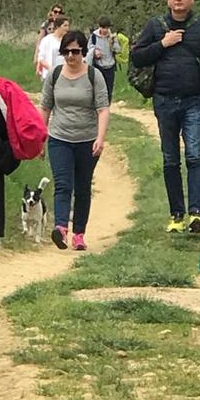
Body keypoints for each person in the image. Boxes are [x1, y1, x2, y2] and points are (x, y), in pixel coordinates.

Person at [132, 0, 200, 234]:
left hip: (193, 100)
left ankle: (196, 214)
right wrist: (162, 44)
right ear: (167, 0)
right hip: (164, 100)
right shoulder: (156, 26)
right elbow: (137, 56)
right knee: (170, 159)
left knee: (195, 155)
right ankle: (176, 215)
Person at [39, 30, 110, 252]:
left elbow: (103, 109)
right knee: (62, 185)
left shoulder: (93, 76)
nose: (71, 56)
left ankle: (79, 234)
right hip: (59, 138)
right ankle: (61, 228)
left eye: (76, 51)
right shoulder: (55, 75)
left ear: (83, 52)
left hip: (87, 140)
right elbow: (45, 107)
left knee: (82, 187)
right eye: (67, 51)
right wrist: (41, 137)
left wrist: (100, 138)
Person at [87, 16, 122, 103]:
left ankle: (106, 108)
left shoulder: (112, 37)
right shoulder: (94, 36)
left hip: (110, 66)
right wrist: (95, 52)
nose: (105, 30)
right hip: (98, 66)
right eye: (103, 28)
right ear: (99, 26)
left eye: (107, 28)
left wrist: (112, 42)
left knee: (108, 90)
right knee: (97, 89)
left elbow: (118, 50)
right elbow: (89, 47)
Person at [36, 14, 69, 79]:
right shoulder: (47, 40)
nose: (67, 28)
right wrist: (51, 69)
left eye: (68, 26)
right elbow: (41, 58)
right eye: (65, 26)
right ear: (58, 26)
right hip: (49, 74)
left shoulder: (68, 40)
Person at [33, 3, 64, 67]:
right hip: (46, 49)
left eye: (59, 12)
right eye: (55, 12)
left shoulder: (63, 25)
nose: (57, 14)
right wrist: (36, 55)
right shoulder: (46, 24)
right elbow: (39, 40)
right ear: (52, 12)